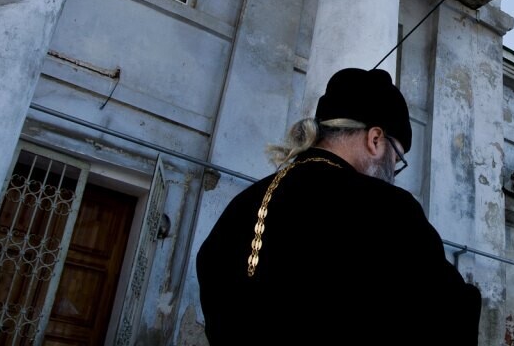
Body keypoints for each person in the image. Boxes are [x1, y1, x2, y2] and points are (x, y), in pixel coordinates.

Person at [197, 68, 481, 344]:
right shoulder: (389, 210)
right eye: (396, 160)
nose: (393, 173)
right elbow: (447, 316)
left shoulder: (243, 205)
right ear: (375, 139)